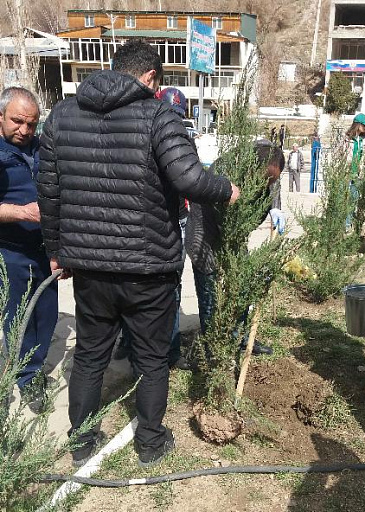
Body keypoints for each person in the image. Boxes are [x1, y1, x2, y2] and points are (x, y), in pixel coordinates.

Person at [37, 41, 239, 467]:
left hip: (90, 266)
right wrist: (227, 189)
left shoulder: (61, 116)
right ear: (150, 77)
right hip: (148, 267)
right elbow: (188, 178)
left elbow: (49, 193)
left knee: (90, 355)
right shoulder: (158, 114)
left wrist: (57, 250)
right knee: (151, 358)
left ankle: (82, 442)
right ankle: (150, 442)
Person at [113, 87, 191, 371]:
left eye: (179, 116)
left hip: (176, 222)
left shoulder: (184, 142)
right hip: (143, 223)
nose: (175, 121)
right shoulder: (138, 138)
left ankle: (171, 348)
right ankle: (128, 341)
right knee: (132, 285)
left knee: (173, 287)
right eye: (171, 114)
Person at [185, 140, 285, 356]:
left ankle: (240, 338)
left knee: (243, 288)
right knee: (209, 295)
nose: (269, 184)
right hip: (205, 234)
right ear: (253, 168)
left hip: (234, 237)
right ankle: (213, 349)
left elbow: (274, 183)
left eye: (272, 180)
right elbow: (225, 222)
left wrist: (275, 208)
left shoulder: (268, 167)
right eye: (265, 179)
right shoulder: (225, 170)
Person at [0, 87, 58, 414]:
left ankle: (36, 364)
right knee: (19, 318)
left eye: (32, 124)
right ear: (1, 117)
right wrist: (21, 212)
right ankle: (28, 378)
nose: (24, 130)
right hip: (10, 252)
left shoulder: (40, 148)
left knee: (46, 314)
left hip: (44, 249)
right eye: (17, 121)